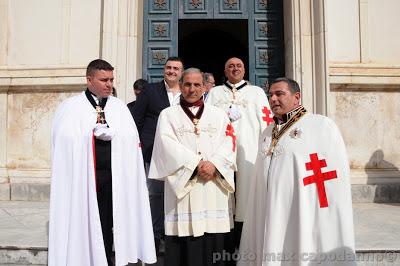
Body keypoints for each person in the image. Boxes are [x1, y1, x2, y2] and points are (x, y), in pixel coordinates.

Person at [48, 59, 156, 266]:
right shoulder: (71, 107)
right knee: (84, 220)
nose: (109, 84)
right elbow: (63, 140)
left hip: (114, 176)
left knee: (108, 221)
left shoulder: (119, 107)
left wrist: (114, 134)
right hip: (84, 177)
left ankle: (106, 259)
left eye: (111, 79)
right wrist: (89, 135)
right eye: (104, 80)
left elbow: (131, 139)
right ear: (89, 80)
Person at [238, 78, 355, 265]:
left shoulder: (320, 126)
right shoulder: (267, 132)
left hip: (301, 208)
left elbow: (333, 175)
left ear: (297, 97)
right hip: (271, 210)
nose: (274, 99)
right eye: (271, 95)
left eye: (280, 94)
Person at [148, 67, 236, 266]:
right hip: (185, 187)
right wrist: (196, 165)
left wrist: (214, 164)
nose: (192, 89)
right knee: (184, 239)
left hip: (213, 185)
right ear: (180, 86)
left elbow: (229, 141)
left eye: (197, 84)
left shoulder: (219, 114)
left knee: (214, 240)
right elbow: (165, 145)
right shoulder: (168, 115)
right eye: (187, 84)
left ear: (205, 87)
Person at [206, 57, 272, 248]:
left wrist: (266, 150)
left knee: (246, 195)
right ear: (225, 71)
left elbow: (266, 122)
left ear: (245, 70)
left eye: (239, 66)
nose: (235, 69)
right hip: (220, 151)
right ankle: (223, 240)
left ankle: (245, 240)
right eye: (230, 66)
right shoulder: (215, 92)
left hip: (249, 151)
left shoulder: (257, 92)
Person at [132, 56, 184, 254]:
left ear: (181, 72)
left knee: (178, 190)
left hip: (180, 152)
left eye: (176, 68)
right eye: (168, 68)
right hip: (153, 150)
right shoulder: (150, 91)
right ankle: (154, 235)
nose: (171, 71)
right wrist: (137, 146)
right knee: (155, 193)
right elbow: (137, 119)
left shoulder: (187, 92)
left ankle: (174, 232)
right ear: (164, 70)